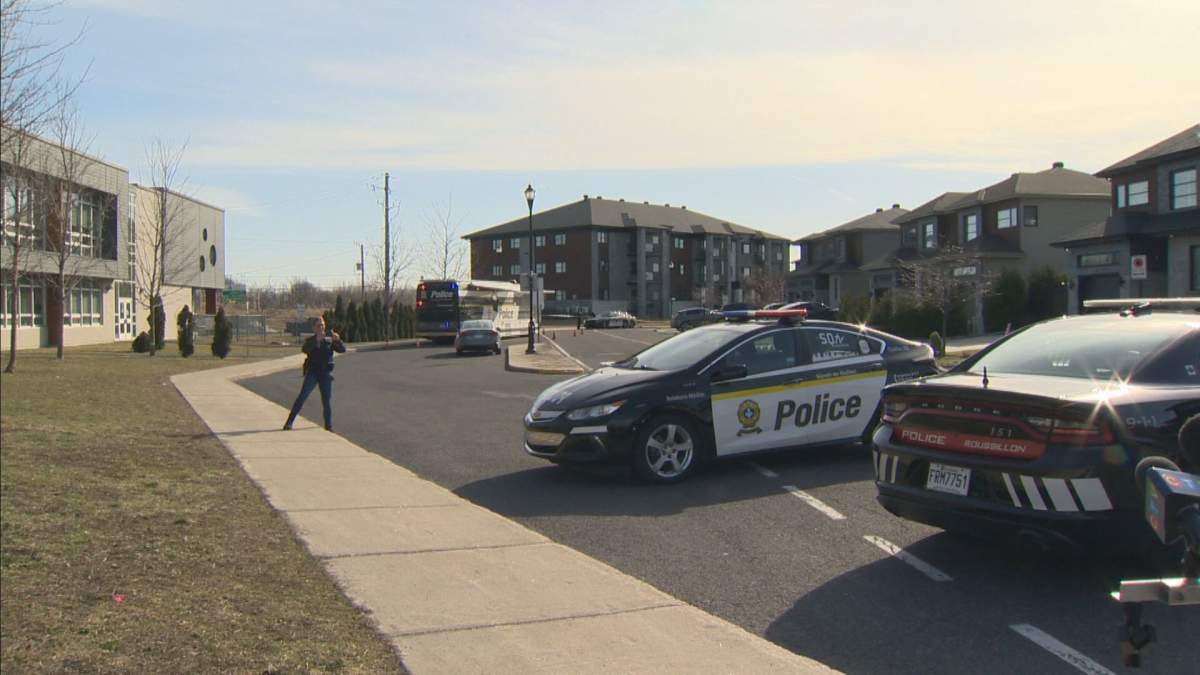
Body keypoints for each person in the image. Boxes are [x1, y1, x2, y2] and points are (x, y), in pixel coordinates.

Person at [283, 316, 345, 431]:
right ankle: (289, 422)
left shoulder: (329, 339)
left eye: (322, 324)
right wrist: (317, 341)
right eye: (318, 325)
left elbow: (342, 349)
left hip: (325, 373)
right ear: (314, 328)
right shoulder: (311, 340)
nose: (321, 327)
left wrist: (338, 340)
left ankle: (328, 426)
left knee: (326, 401)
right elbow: (305, 349)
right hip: (313, 373)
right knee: (302, 397)